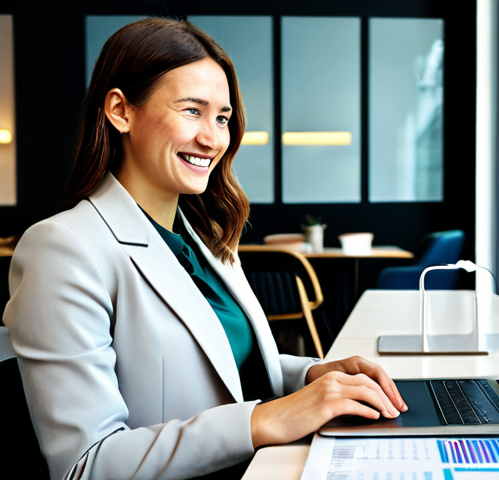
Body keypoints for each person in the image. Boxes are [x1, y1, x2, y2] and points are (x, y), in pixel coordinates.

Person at [3, 18, 406, 480]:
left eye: (222, 117)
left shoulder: (205, 236)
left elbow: (224, 366)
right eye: (192, 111)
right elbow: (86, 463)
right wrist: (266, 419)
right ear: (120, 111)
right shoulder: (63, 249)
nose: (213, 139)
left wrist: (315, 378)